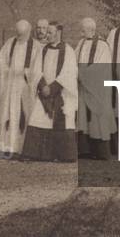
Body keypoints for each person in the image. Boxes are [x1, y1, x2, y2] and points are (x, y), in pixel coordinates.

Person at [22, 22, 78, 162]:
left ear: (58, 33)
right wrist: (42, 86)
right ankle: (35, 154)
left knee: (63, 121)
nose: (47, 35)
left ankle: (62, 155)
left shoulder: (68, 50)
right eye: (47, 32)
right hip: (43, 93)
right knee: (37, 118)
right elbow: (36, 70)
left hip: (61, 93)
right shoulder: (43, 50)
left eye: (50, 32)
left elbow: (69, 73)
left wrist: (52, 88)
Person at [0, 19, 38, 157]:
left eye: (23, 34)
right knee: (7, 115)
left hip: (25, 87)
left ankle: (22, 149)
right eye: (18, 34)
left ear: (29, 32)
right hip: (10, 85)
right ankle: (6, 148)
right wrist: (7, 71)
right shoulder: (10, 43)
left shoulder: (36, 46)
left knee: (23, 115)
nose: (20, 37)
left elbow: (38, 68)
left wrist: (27, 73)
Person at [75, 17, 116, 160]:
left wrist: (82, 75)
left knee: (98, 118)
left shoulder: (102, 46)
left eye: (83, 30)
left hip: (97, 88)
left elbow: (100, 67)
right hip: (83, 86)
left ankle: (101, 152)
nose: (80, 33)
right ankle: (85, 150)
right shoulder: (80, 43)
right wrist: (76, 73)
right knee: (83, 119)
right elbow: (75, 61)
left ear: (92, 30)